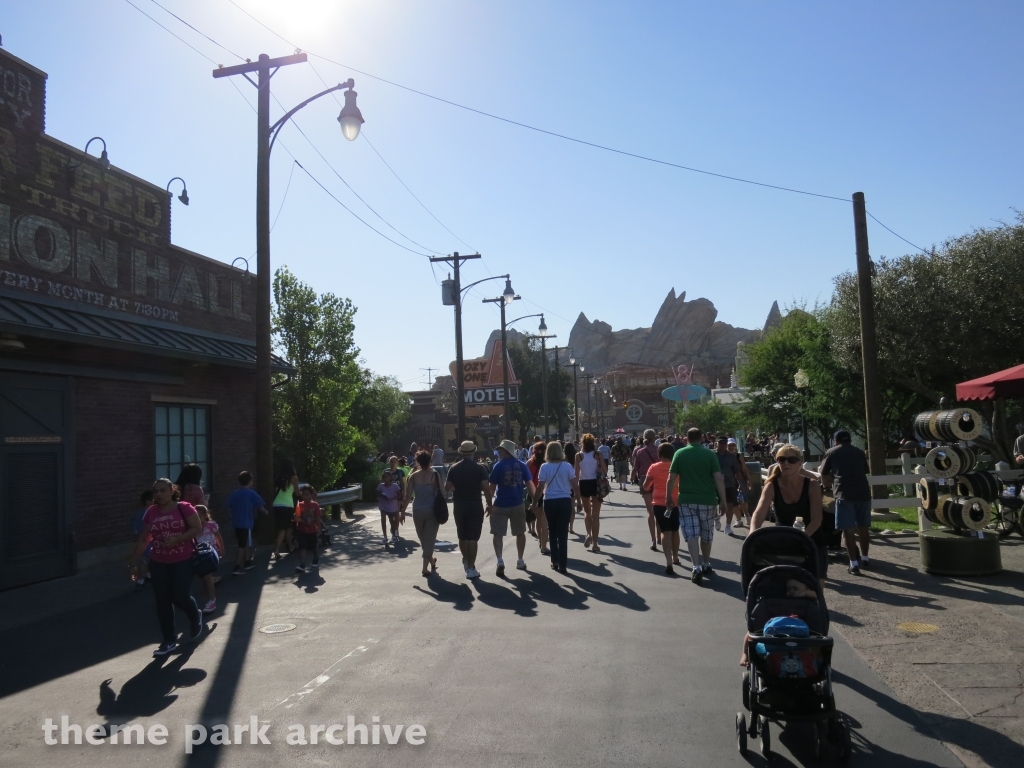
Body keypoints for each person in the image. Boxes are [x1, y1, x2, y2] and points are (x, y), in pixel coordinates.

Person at [128, 479, 204, 657]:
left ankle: (194, 614)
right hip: (159, 561)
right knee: (162, 601)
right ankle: (168, 640)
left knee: (180, 595)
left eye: (162, 490)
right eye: (155, 491)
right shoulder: (151, 513)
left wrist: (177, 539)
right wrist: (134, 563)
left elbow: (196, 528)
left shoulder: (184, 508)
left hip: (183, 559)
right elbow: (144, 539)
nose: (159, 494)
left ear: (172, 491)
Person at [749, 444, 827, 577]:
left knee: (815, 588)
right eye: (781, 459)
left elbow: (817, 519)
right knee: (785, 586)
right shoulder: (771, 486)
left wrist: (801, 539)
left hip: (812, 540)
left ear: (799, 464)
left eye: (791, 460)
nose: (786, 463)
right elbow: (759, 513)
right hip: (783, 544)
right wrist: (752, 535)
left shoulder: (812, 485)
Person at [666, 427, 727, 584]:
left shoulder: (680, 454)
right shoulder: (710, 454)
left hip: (686, 499)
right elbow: (718, 478)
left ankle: (696, 567)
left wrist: (668, 497)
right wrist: (723, 501)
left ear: (686, 438)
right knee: (707, 533)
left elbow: (671, 478)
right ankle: (706, 562)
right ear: (701, 438)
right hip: (707, 499)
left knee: (691, 533)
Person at [819, 430, 872, 575]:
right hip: (863, 493)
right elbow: (864, 471)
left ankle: (854, 564)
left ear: (836, 441)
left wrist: (829, 484)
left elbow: (824, 475)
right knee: (863, 527)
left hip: (844, 494)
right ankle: (865, 559)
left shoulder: (832, 452)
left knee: (848, 530)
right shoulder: (859, 452)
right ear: (849, 440)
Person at [487, 439, 536, 576]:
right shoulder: (521, 465)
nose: (499, 452)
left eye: (501, 450)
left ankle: (500, 559)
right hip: (517, 503)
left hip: (500, 504)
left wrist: (489, 504)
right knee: (520, 532)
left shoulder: (498, 466)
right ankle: (520, 559)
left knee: (498, 533)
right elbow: (530, 484)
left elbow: (491, 488)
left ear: (505, 451)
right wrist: (535, 501)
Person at [445, 441, 492, 579]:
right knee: (472, 538)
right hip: (475, 504)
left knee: (462, 536)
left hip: (459, 505)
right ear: (474, 452)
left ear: (461, 452)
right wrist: (489, 504)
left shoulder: (453, 468)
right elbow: (486, 488)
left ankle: (465, 560)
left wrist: (457, 486)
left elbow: (447, 487)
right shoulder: (480, 468)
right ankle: (471, 568)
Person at [535, 441, 580, 574]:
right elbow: (574, 485)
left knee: (552, 531)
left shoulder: (544, 467)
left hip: (549, 501)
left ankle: (554, 560)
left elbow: (540, 487)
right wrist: (579, 501)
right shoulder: (566, 466)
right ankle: (563, 564)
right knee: (563, 532)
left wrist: (535, 502)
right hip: (565, 500)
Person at [403, 451, 442, 577]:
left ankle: (430, 560)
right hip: (432, 509)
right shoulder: (434, 475)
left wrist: (402, 512)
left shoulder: (413, 476)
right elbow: (441, 491)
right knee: (429, 538)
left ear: (418, 462)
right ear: (430, 461)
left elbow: (408, 496)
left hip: (417, 510)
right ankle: (425, 568)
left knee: (423, 539)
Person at [644, 442, 681, 575]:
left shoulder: (653, 467)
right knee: (675, 530)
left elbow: (646, 485)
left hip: (659, 502)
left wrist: (649, 488)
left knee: (665, 531)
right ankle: (675, 556)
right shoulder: (676, 466)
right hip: (675, 501)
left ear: (659, 454)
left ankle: (668, 562)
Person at [225, 470, 266, 574]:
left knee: (243, 542)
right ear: (250, 482)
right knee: (242, 545)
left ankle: (247, 562)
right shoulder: (251, 493)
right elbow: (260, 506)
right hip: (246, 522)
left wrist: (231, 517)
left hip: (236, 522)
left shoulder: (235, 493)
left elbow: (228, 506)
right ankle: (237, 566)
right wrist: (265, 511)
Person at [575, 434, 608, 552]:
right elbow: (605, 470)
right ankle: (595, 543)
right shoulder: (598, 454)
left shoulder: (578, 455)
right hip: (596, 484)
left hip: (584, 483)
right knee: (596, 514)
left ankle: (588, 533)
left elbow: (576, 473)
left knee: (587, 511)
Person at [631, 429, 661, 552]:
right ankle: (660, 536)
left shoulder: (639, 451)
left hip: (645, 480)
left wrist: (632, 476)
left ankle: (653, 539)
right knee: (659, 509)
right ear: (654, 438)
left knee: (650, 511)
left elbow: (635, 467)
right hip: (658, 479)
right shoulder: (659, 450)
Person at [194, 505, 222, 613]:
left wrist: (221, 548)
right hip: (198, 554)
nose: (197, 518)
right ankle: (209, 596)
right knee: (202, 578)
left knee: (206, 577)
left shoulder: (211, 525)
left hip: (209, 553)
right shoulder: (194, 528)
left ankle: (211, 600)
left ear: (205, 516)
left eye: (199, 516)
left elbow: (218, 537)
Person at [715, 435, 745, 536]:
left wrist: (741, 484)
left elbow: (737, 471)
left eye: (724, 443)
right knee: (715, 504)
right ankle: (716, 517)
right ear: (716, 444)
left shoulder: (732, 457)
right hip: (714, 484)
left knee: (730, 505)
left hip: (729, 483)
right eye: (720, 443)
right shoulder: (712, 455)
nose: (723, 445)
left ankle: (728, 526)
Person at [272, 459, 299, 561]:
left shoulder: (279, 478)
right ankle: (277, 550)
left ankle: (291, 546)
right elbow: (297, 493)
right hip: (287, 505)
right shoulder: (294, 478)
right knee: (282, 528)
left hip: (276, 505)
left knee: (287, 527)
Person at [293, 484, 322, 573]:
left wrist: (319, 529)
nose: (305, 497)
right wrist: (296, 517)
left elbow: (317, 518)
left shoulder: (315, 505)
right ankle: (302, 564)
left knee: (313, 546)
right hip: (302, 530)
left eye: (307, 495)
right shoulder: (299, 505)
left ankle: (316, 558)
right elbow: (297, 516)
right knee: (302, 547)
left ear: (311, 495)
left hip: (312, 530)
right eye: (303, 495)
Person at [526, 441, 549, 553]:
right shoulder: (547, 463)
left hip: (533, 492)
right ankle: (543, 544)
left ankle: (541, 541)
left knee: (539, 518)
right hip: (545, 492)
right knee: (543, 519)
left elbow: (525, 479)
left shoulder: (530, 463)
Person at [129, 489, 154, 588]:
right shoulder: (149, 513)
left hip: (142, 539)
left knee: (147, 561)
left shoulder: (140, 512)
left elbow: (135, 527)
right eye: (153, 500)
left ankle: (147, 575)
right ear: (148, 501)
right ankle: (140, 580)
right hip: (147, 542)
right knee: (144, 562)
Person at [728, 439, 752, 527]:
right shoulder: (725, 456)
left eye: (732, 445)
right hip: (729, 481)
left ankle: (747, 516)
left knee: (742, 500)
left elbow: (745, 468)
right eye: (729, 445)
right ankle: (739, 520)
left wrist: (749, 481)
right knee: (733, 502)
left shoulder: (738, 456)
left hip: (741, 480)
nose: (731, 447)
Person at [377, 470, 403, 545]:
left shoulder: (395, 486)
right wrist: (380, 497)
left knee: (392, 521)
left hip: (392, 506)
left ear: (390, 478)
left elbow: (399, 495)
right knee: (383, 520)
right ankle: (385, 537)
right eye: (383, 477)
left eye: (386, 477)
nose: (385, 479)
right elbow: (378, 493)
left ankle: (394, 535)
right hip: (383, 505)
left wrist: (392, 498)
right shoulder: (381, 486)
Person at [564, 441, 580, 534]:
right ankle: (571, 527)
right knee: (572, 507)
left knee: (565, 508)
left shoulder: (563, 460)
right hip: (572, 485)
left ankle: (566, 525)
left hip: (564, 486)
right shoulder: (575, 458)